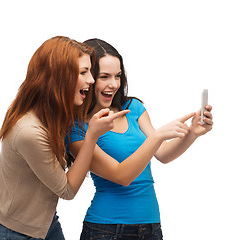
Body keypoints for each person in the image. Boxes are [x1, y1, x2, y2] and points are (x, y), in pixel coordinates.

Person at [67, 39, 213, 240]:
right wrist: (158, 135)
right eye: (104, 77)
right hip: (105, 230)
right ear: (88, 78)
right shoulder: (78, 128)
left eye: (118, 76)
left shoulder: (133, 108)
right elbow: (122, 176)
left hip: (151, 227)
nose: (114, 84)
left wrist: (192, 133)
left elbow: (163, 154)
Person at [0, 36, 129, 240]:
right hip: (17, 233)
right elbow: (67, 190)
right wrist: (91, 137)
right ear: (58, 77)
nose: (91, 79)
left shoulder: (56, 113)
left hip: (47, 223)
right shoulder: (30, 131)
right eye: (83, 72)